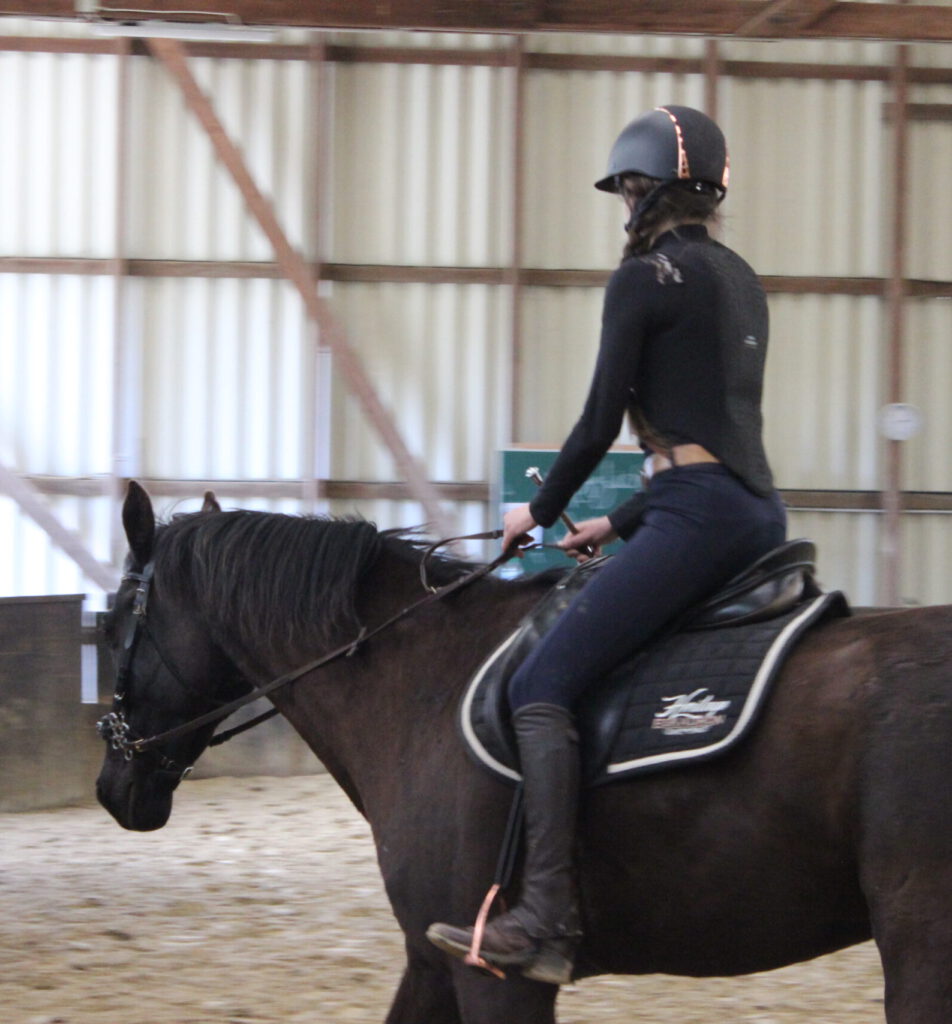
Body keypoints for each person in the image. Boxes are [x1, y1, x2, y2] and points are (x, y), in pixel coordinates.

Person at [427, 105, 787, 985]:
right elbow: (711, 424)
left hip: (698, 514)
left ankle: (547, 912)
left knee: (542, 681)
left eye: (624, 187)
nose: (621, 201)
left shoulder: (642, 278)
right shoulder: (739, 277)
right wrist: (618, 524)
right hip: (747, 509)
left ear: (641, 190)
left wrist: (538, 513)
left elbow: (597, 424)